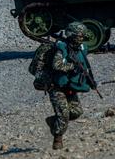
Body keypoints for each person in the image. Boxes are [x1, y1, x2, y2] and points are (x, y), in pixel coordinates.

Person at [46, 22, 94, 150]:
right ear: (72, 35)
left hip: (70, 87)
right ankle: (57, 140)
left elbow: (84, 64)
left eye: (83, 36)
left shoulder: (81, 48)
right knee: (64, 114)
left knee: (77, 112)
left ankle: (54, 121)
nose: (82, 38)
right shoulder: (61, 48)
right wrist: (71, 67)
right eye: (79, 36)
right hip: (56, 87)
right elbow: (56, 65)